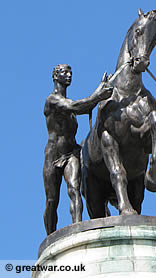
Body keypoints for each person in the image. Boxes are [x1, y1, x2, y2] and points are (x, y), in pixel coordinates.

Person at [43, 64, 113, 235]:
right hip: (53, 155)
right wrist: (97, 95)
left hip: (71, 153)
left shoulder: (71, 106)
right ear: (55, 76)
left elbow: (86, 107)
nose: (69, 75)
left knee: (74, 189)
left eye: (70, 72)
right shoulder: (52, 100)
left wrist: (100, 89)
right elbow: (76, 106)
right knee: (52, 201)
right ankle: (50, 236)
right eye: (64, 72)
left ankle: (77, 228)